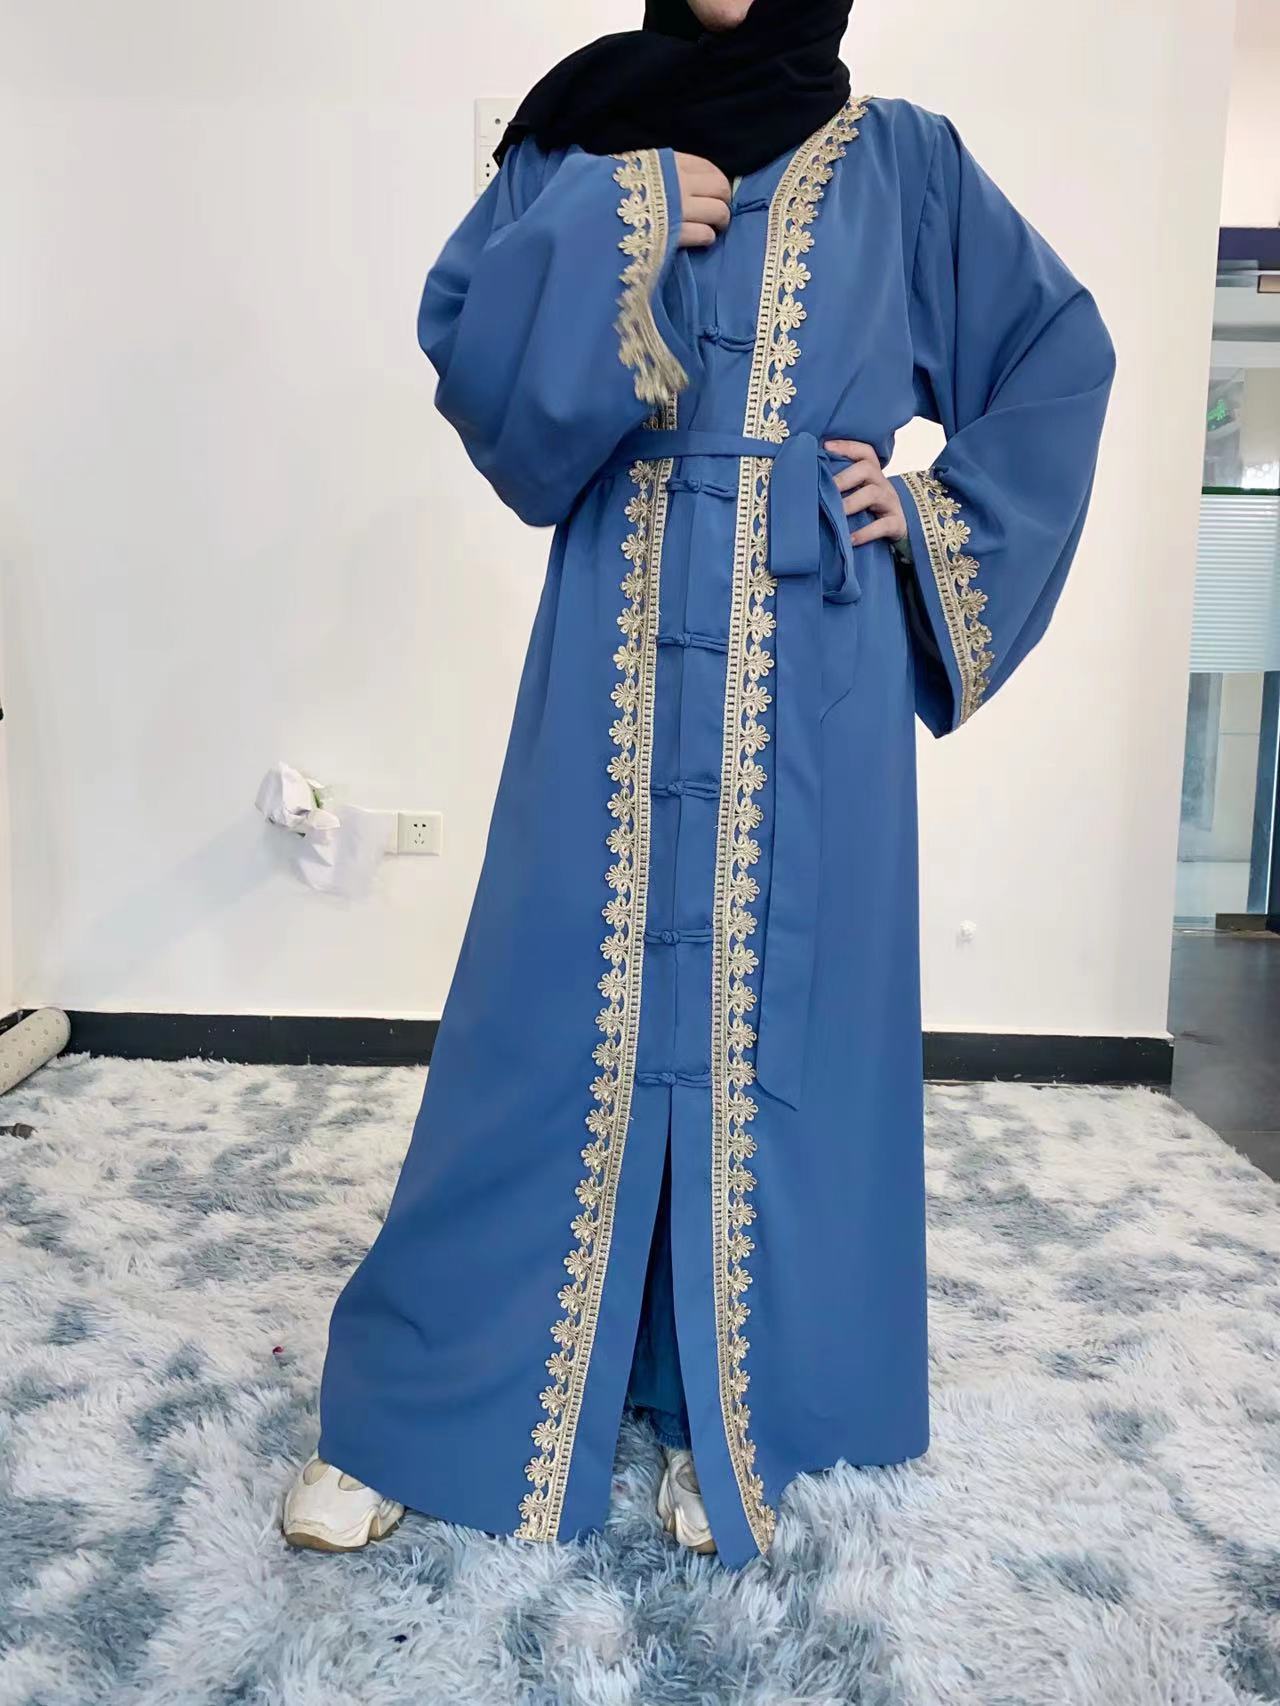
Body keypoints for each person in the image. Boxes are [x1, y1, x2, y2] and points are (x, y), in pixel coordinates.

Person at [283, 0, 1114, 1566]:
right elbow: (481, 373)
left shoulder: (906, 165)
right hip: (616, 630)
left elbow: (1058, 353)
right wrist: (618, 218)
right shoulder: (583, 135)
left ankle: (745, 1406)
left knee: (782, 1025)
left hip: (816, 655)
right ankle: (428, 1403)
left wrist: (934, 511)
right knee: (548, 1009)